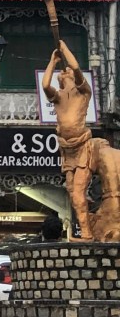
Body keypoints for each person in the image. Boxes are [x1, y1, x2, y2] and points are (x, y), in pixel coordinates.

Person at [42, 40, 94, 240]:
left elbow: (77, 68)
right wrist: (53, 60)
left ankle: (87, 234)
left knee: (79, 192)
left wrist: (65, 49)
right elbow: (45, 84)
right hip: (66, 150)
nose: (66, 72)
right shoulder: (58, 97)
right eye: (61, 73)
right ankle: (86, 226)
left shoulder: (83, 92)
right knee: (72, 192)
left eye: (68, 71)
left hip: (82, 146)